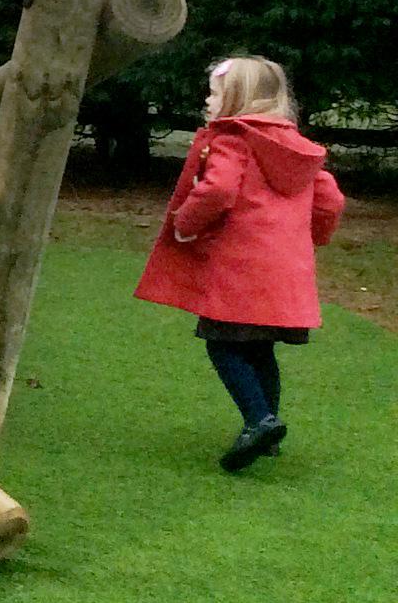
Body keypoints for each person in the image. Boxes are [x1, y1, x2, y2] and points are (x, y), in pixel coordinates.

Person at [134, 56, 343, 472]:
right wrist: (309, 239)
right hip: (284, 273)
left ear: (238, 99)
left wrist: (185, 222)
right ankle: (268, 428)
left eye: (214, 93)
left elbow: (218, 190)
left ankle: (259, 421)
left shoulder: (233, 142)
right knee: (260, 349)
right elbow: (331, 201)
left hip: (240, 269)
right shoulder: (299, 150)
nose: (207, 101)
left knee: (223, 344)